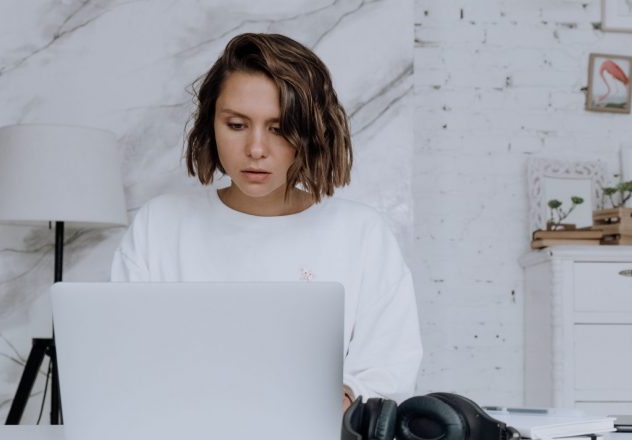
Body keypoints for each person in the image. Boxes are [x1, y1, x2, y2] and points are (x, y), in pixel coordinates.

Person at [110, 33, 422, 410]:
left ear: (310, 132)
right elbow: (122, 356)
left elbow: (390, 367)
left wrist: (343, 395)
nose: (256, 149)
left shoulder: (360, 233)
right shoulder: (159, 225)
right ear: (212, 125)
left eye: (277, 128)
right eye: (237, 125)